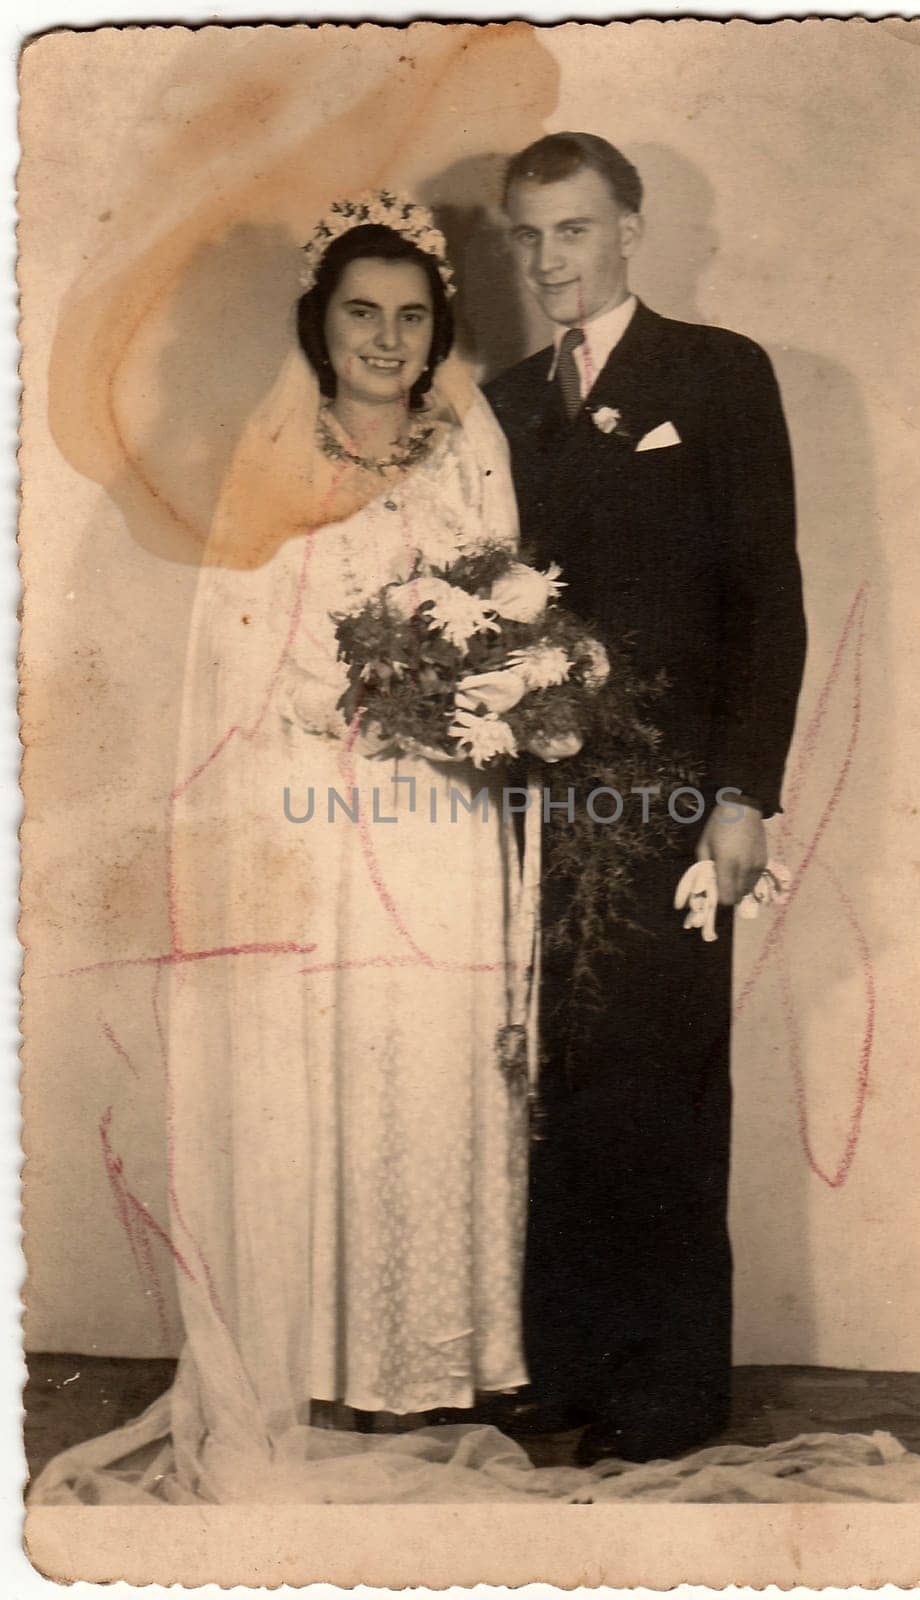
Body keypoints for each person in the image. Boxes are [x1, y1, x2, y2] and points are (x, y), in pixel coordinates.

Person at [33, 196, 537, 1502]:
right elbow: (248, 649)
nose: (386, 338)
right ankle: (315, 1371)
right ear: (319, 324)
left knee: (429, 1075)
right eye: (361, 313)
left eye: (410, 316)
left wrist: (475, 702)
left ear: (439, 332)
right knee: (321, 1082)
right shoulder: (269, 454)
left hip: (438, 827)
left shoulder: (467, 445)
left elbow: (505, 612)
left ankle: (424, 1371)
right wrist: (342, 706)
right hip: (313, 822)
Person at [484, 133, 807, 1465]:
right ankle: (561, 1366)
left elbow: (765, 603)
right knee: (552, 1075)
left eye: (574, 229)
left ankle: (665, 1388)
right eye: (529, 235)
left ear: (630, 229)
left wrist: (744, 798)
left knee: (661, 1083)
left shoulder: (717, 373)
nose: (551, 259)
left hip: (674, 799)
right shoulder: (501, 400)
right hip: (533, 803)